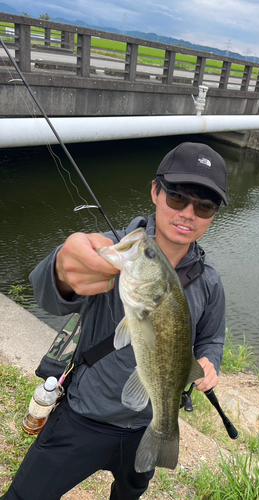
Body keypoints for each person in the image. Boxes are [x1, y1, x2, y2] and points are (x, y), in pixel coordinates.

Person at [2, 141, 228, 500]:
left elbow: (211, 338)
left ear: (213, 215)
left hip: (146, 422)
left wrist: (209, 362)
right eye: (177, 197)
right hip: (83, 414)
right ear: (155, 191)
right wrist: (61, 267)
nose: (188, 213)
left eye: (204, 206)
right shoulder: (114, 252)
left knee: (129, 494)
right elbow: (50, 293)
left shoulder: (209, 282)